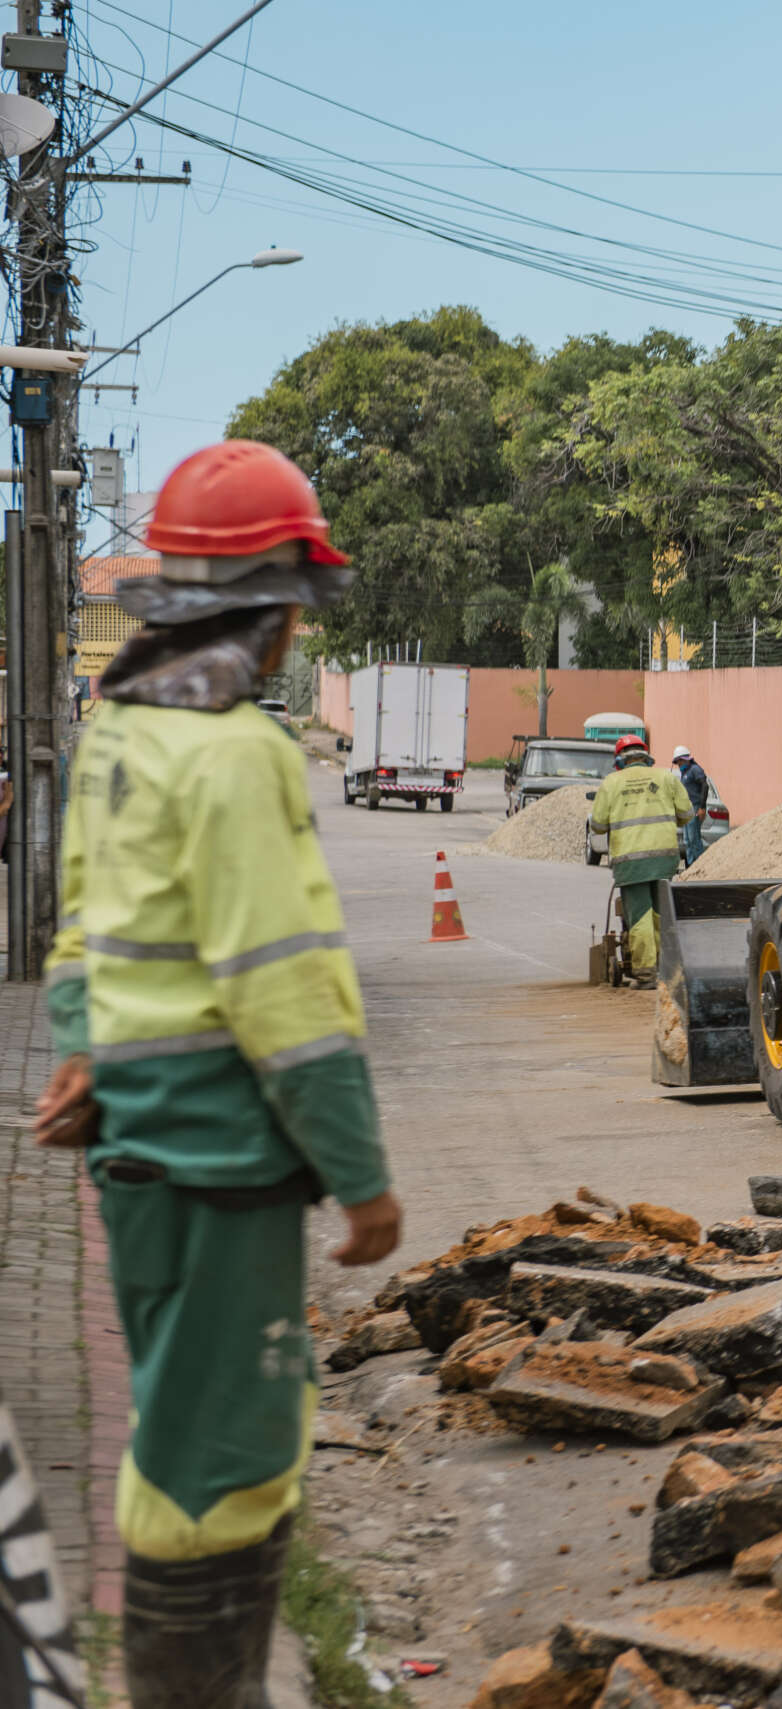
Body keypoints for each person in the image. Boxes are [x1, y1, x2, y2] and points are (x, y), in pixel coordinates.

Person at [31, 439, 399, 1708]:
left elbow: (82, 930)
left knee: (175, 1415)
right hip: (223, 1158)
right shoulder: (237, 752)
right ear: (269, 606)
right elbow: (283, 991)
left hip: (135, 1145)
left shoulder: (123, 728)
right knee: (225, 1453)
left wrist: (81, 1047)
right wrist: (362, 1178)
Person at [587, 733, 693, 976]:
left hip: (631, 861)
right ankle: (665, 968)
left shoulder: (612, 783)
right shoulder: (666, 778)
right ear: (647, 758)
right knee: (661, 913)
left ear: (620, 761)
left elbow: (598, 825)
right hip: (664, 858)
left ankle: (645, 973)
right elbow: (687, 814)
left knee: (641, 916)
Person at [670, 743, 711, 866]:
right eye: (677, 763)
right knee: (687, 840)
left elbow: (705, 785)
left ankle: (698, 865)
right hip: (687, 809)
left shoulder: (695, 769)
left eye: (680, 762)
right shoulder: (685, 772)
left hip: (695, 808)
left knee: (694, 839)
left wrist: (702, 807)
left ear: (684, 759)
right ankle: (690, 866)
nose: (679, 765)